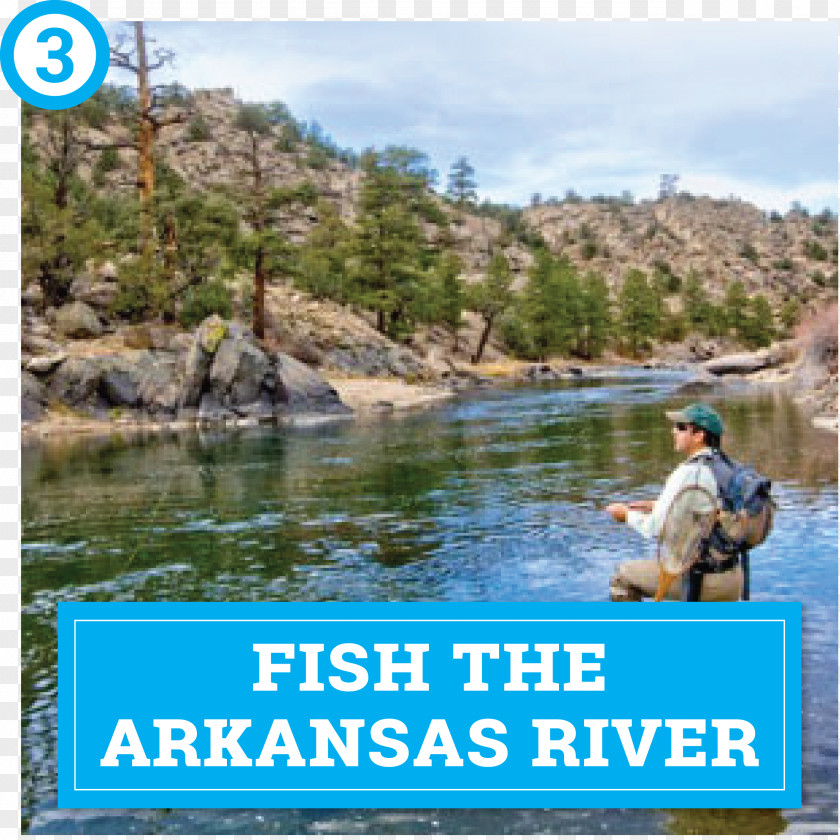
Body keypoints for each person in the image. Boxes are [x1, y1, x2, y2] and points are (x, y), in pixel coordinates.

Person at [606, 403, 744, 602]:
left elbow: (655, 528)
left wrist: (624, 515)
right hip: (733, 577)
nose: (673, 431)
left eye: (680, 427)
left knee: (622, 578)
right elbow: (708, 510)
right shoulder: (725, 466)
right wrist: (657, 505)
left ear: (699, 436)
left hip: (704, 578)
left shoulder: (688, 472)